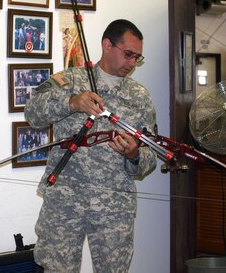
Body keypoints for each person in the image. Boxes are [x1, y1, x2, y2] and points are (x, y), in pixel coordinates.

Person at [24, 19, 157, 273]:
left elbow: (152, 152)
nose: (131, 63)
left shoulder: (140, 97)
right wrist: (71, 102)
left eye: (137, 58)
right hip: (64, 201)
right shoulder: (71, 80)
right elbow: (32, 113)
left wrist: (135, 154)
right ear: (107, 45)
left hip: (114, 206)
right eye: (128, 54)